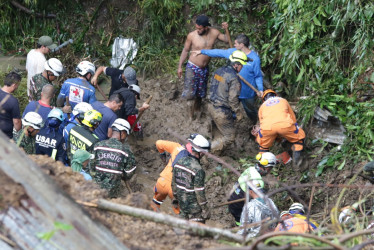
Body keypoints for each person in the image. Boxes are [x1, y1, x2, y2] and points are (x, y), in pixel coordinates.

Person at [194, 34, 263, 124]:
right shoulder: (233, 52)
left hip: (247, 92)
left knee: (250, 111)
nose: (234, 45)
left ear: (242, 45)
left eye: (236, 43)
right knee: (230, 108)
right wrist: (202, 51)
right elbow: (218, 52)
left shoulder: (254, 59)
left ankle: (255, 125)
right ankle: (232, 123)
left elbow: (258, 76)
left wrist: (260, 89)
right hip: (232, 90)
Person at [178, 15, 229, 119]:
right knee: (190, 93)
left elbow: (227, 40)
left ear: (206, 27)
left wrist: (226, 29)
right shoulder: (192, 36)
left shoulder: (214, 33)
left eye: (200, 28)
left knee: (201, 93)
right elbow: (185, 50)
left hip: (204, 69)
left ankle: (198, 111)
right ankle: (190, 117)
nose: (197, 30)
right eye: (196, 28)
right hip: (192, 67)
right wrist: (179, 67)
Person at [208, 50, 247, 154]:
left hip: (211, 106)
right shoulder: (234, 78)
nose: (242, 68)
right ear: (236, 65)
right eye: (241, 65)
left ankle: (216, 154)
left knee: (218, 133)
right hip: (221, 111)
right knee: (229, 137)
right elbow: (233, 99)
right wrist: (238, 113)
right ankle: (206, 152)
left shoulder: (218, 71)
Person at [256, 90, 306, 167]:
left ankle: (262, 167)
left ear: (264, 99)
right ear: (275, 95)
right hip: (285, 125)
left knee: (263, 147)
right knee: (298, 139)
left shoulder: (262, 107)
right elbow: (293, 118)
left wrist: (276, 137)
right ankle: (297, 165)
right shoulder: (283, 100)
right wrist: (292, 131)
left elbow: (261, 123)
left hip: (267, 128)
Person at [228, 152, 277, 226]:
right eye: (270, 169)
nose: (270, 171)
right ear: (267, 168)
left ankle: (239, 226)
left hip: (233, 196)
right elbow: (259, 201)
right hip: (239, 203)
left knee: (238, 218)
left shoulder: (250, 169)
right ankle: (242, 231)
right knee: (247, 220)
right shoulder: (257, 181)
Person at [172, 134, 211, 223]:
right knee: (197, 234)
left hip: (182, 205)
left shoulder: (179, 162)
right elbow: (199, 193)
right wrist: (205, 209)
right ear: (200, 152)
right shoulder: (198, 170)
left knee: (182, 230)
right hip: (195, 210)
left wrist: (175, 198)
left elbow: (173, 184)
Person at [92, 118, 136, 198]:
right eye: (126, 134)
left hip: (95, 189)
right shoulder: (125, 151)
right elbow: (129, 173)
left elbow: (91, 167)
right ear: (122, 133)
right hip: (112, 193)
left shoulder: (98, 145)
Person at [151, 139, 187, 214]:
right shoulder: (192, 159)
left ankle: (150, 218)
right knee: (180, 211)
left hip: (162, 182)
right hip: (175, 188)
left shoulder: (177, 146)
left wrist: (163, 156)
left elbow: (158, 143)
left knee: (156, 201)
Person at [0, 72, 22, 139]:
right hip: (5, 136)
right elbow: (16, 122)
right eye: (17, 85)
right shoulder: (13, 101)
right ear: (14, 85)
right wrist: (19, 130)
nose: (17, 87)